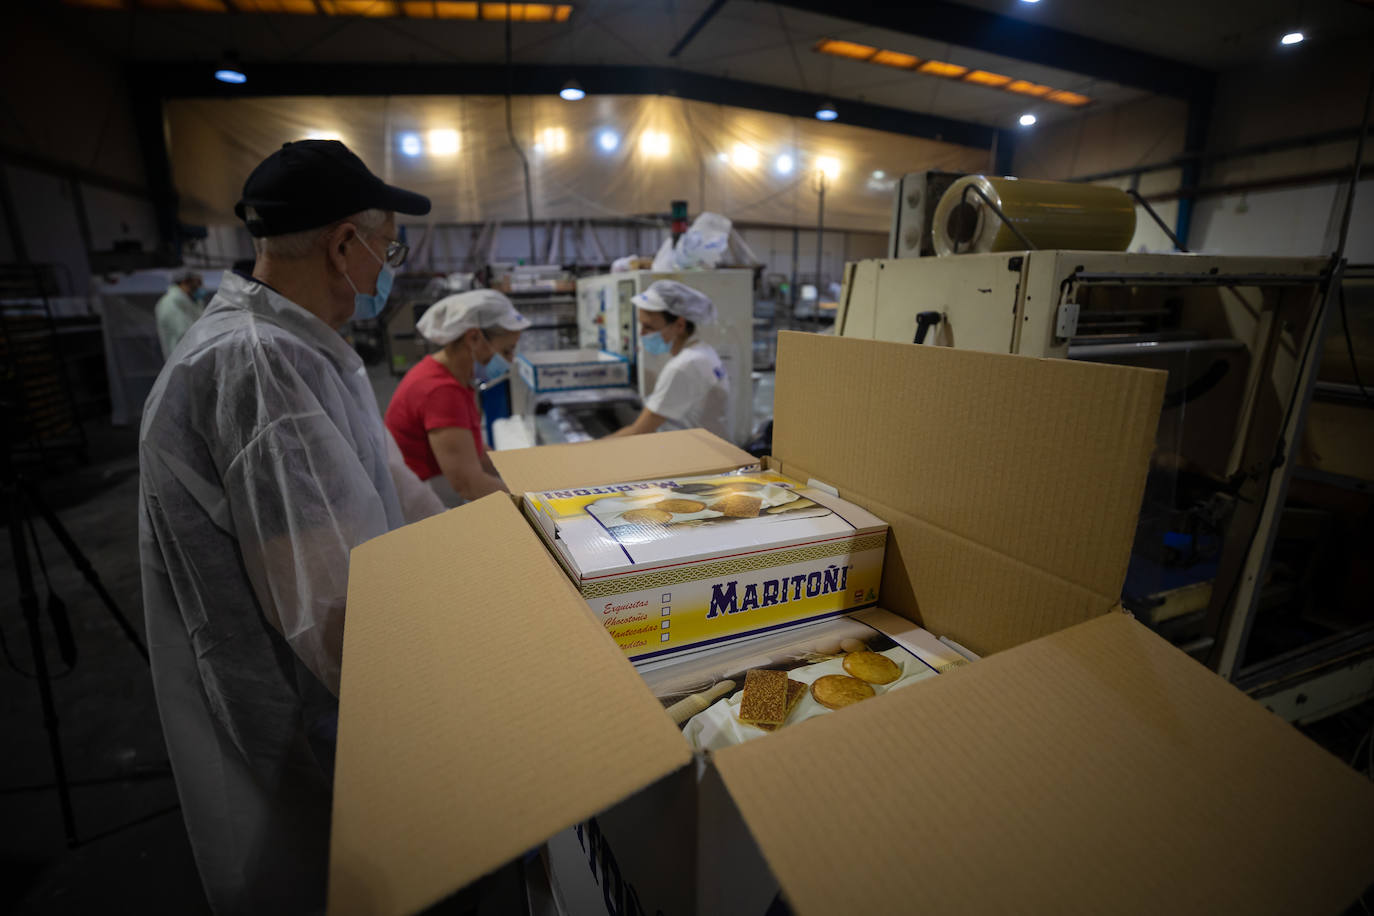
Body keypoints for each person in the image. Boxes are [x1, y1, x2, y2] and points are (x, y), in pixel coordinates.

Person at [137, 139, 442, 915]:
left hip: (330, 700)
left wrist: (488, 548)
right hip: (308, 713)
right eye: (387, 247)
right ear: (346, 244)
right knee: (328, 879)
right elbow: (328, 608)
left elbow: (387, 481)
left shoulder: (299, 344)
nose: (387, 267)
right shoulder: (257, 364)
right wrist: (447, 706)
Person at [385, 289, 529, 506]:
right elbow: (469, 484)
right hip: (422, 503)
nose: (510, 361)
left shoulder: (456, 378)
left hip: (436, 488)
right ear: (473, 338)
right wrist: (534, 502)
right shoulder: (441, 391)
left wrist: (521, 474)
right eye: (507, 351)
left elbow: (476, 451)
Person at [608, 279, 730, 440]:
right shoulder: (703, 351)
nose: (642, 334)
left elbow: (638, 431)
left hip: (694, 454)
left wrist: (587, 450)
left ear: (679, 325)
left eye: (649, 327)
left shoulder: (683, 366)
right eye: (641, 325)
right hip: (709, 444)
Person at [154, 267, 206, 359]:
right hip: (183, 362)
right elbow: (184, 334)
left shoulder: (192, 302)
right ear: (185, 282)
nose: (201, 287)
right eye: (198, 283)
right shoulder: (169, 303)